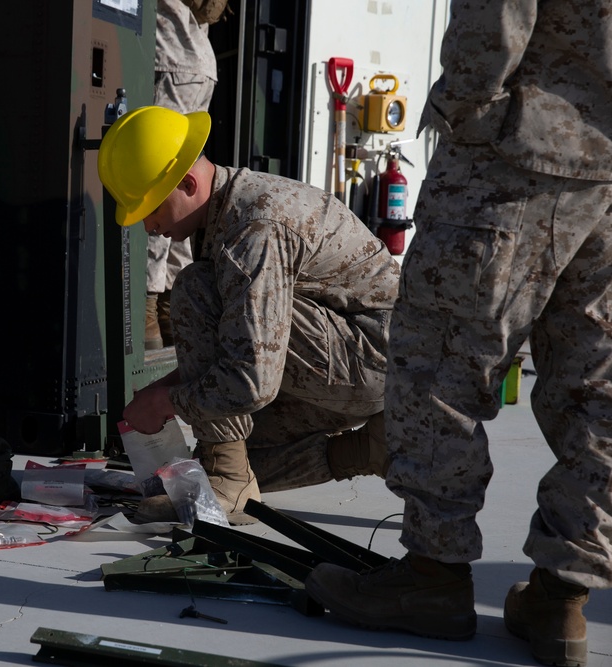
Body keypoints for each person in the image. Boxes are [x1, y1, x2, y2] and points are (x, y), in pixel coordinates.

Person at [303, 2, 611, 665]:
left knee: (440, 356)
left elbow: (496, 15)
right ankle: (563, 595)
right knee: (598, 385)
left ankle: (434, 576)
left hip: (523, 149)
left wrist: (467, 112)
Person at [97, 105, 401, 525]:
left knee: (195, 289)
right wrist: (157, 394)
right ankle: (370, 448)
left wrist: (167, 401)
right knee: (220, 454)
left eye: (151, 209)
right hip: (360, 365)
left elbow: (250, 382)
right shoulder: (228, 208)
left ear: (187, 183)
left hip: (370, 362)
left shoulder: (253, 227)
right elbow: (238, 346)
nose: (149, 226)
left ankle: (228, 484)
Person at [145, 0, 218, 351]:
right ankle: (171, 312)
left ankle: (148, 305)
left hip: (170, 56)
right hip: (198, 61)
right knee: (181, 189)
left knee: (159, 185)